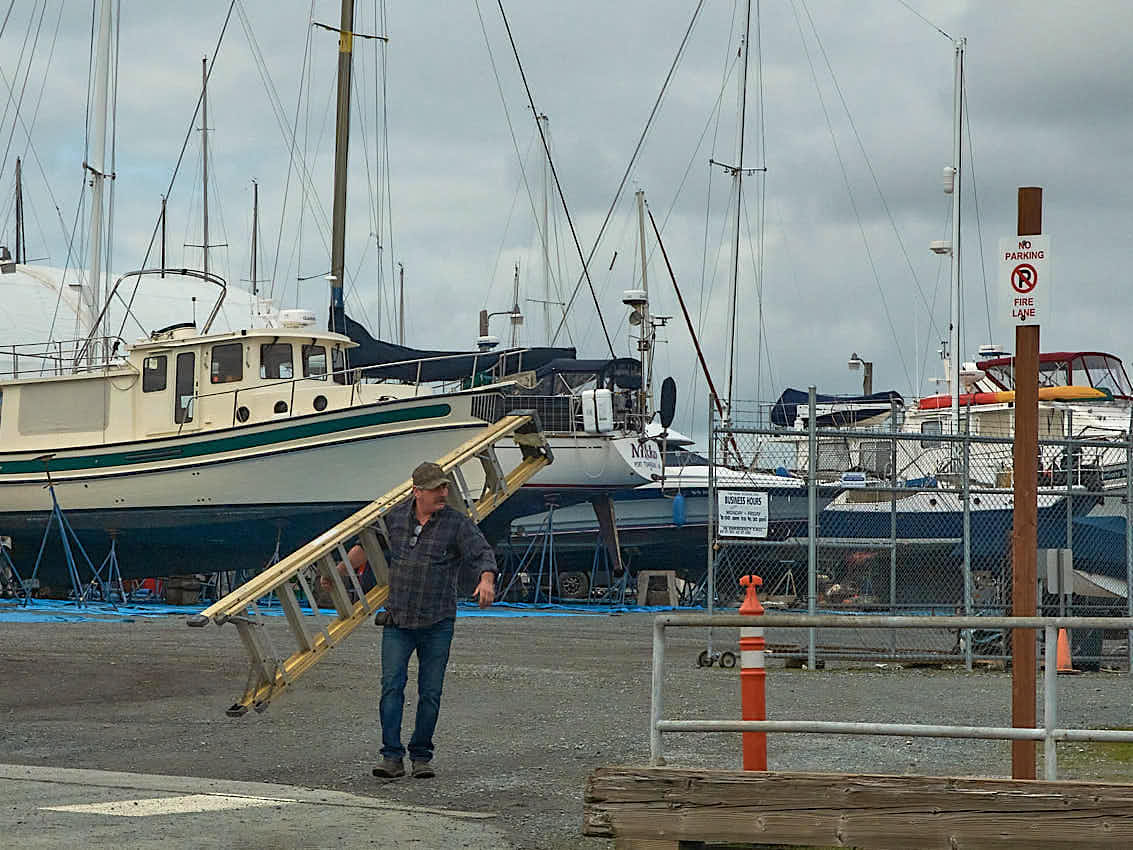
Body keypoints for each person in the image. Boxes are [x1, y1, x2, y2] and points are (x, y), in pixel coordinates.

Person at [370, 461, 496, 780]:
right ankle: (391, 757)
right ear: (417, 492)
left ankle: (421, 756)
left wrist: (486, 580)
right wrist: (340, 572)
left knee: (430, 692)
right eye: (436, 488)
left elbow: (481, 552)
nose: (443, 492)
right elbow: (369, 547)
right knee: (391, 686)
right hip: (398, 619)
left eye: (445, 487)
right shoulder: (396, 518)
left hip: (437, 621)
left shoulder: (456, 523)